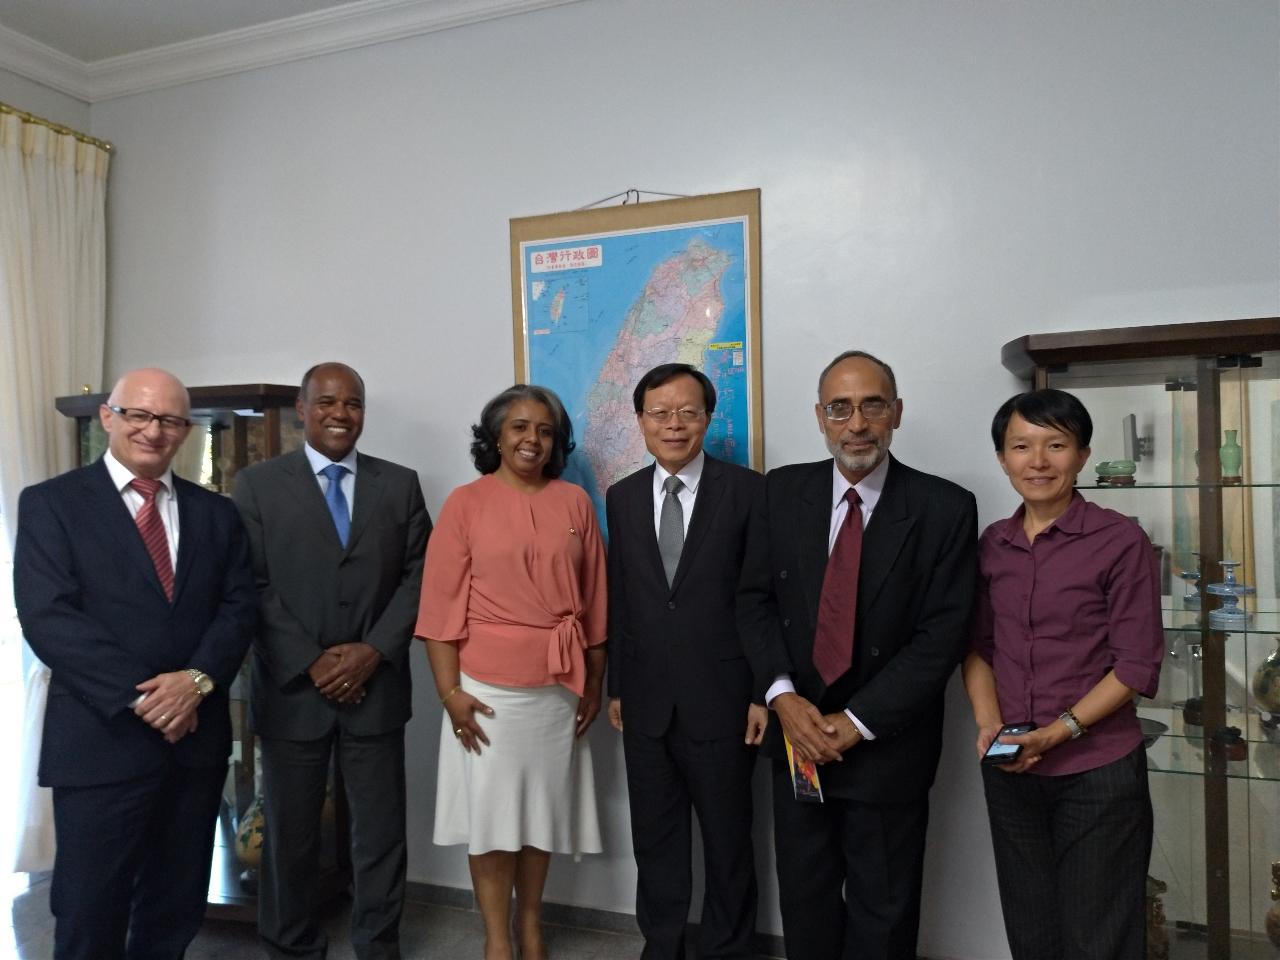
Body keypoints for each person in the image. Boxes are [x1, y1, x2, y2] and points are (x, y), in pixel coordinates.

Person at [736, 350, 978, 960]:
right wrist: (783, 698)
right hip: (799, 739)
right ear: (820, 417)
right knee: (806, 900)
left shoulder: (945, 508)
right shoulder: (781, 492)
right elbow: (754, 601)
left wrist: (858, 723)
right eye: (840, 408)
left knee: (884, 910)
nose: (857, 423)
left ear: (897, 412)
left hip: (886, 744)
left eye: (872, 405)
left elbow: (941, 636)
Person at [13, 368, 258, 960]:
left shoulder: (216, 514)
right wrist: (147, 696)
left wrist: (196, 683)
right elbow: (49, 617)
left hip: (192, 750)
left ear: (185, 431)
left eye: (171, 420)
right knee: (88, 909)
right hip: (101, 745)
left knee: (174, 908)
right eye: (139, 416)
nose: (154, 431)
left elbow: (239, 606)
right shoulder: (52, 505)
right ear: (107, 418)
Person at [231, 362, 430, 960]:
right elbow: (253, 585)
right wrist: (312, 662)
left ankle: (377, 945)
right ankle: (291, 944)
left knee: (379, 835)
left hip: (378, 685)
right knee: (289, 835)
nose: (341, 414)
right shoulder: (258, 485)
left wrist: (373, 651)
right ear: (301, 407)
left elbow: (422, 577)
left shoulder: (399, 484)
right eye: (327, 402)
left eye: (353, 404)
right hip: (294, 691)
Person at [962, 388, 1163, 960]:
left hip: (1096, 773)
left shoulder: (1118, 540)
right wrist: (989, 725)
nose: (1038, 461)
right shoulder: (993, 545)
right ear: (1002, 458)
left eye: (1056, 445)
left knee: (1098, 938)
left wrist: (1058, 731)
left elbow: (1135, 664)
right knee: (1032, 935)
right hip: (1012, 769)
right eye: (1021, 446)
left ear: (1082, 455)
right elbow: (977, 648)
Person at [416, 384, 606, 960]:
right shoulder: (465, 504)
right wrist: (450, 694)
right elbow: (439, 610)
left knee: (540, 816)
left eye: (545, 431)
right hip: (485, 692)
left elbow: (596, 602)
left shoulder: (574, 502)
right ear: (496, 436)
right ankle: (497, 938)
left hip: (557, 689)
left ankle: (531, 927)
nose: (533, 440)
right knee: (494, 821)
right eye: (520, 427)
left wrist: (593, 685)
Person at [605, 363, 767, 960]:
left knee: (728, 842)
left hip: (724, 701)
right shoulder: (621, 497)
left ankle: (729, 949)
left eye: (688, 412)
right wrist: (617, 686)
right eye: (660, 413)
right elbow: (623, 597)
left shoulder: (749, 491)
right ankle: (663, 945)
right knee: (656, 839)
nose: (674, 425)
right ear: (640, 420)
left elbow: (761, 601)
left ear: (707, 417)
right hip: (646, 704)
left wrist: (760, 692)